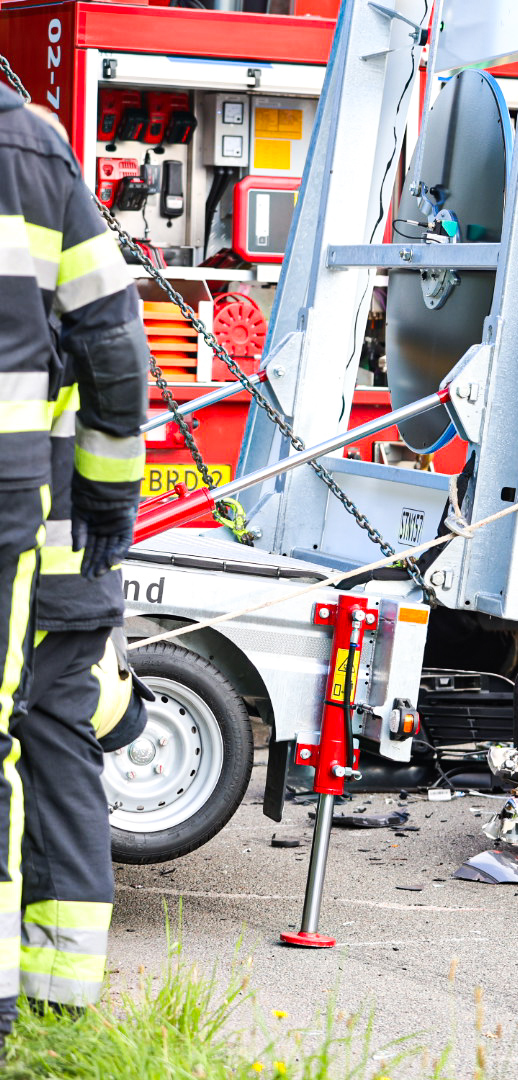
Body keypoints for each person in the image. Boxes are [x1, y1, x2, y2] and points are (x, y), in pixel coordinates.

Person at [0, 86, 147, 1041]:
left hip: (53, 570)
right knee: (48, 740)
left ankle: (50, 994)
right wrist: (108, 505)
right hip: (37, 542)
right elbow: (118, 355)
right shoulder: (32, 149)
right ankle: (46, 996)